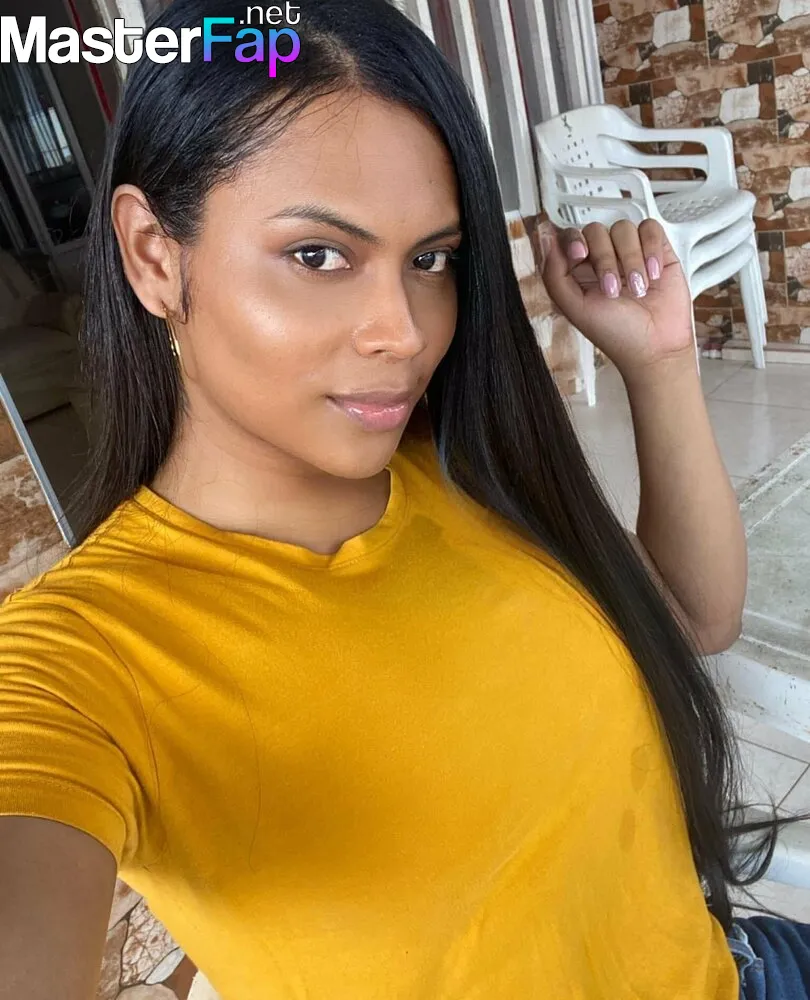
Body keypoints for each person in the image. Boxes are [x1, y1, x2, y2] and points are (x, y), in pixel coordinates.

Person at [0, 1, 808, 997]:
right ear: (154, 256)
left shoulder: (463, 463)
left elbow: (694, 616)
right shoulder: (81, 658)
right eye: (318, 255)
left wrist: (663, 363)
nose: (405, 331)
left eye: (430, 260)